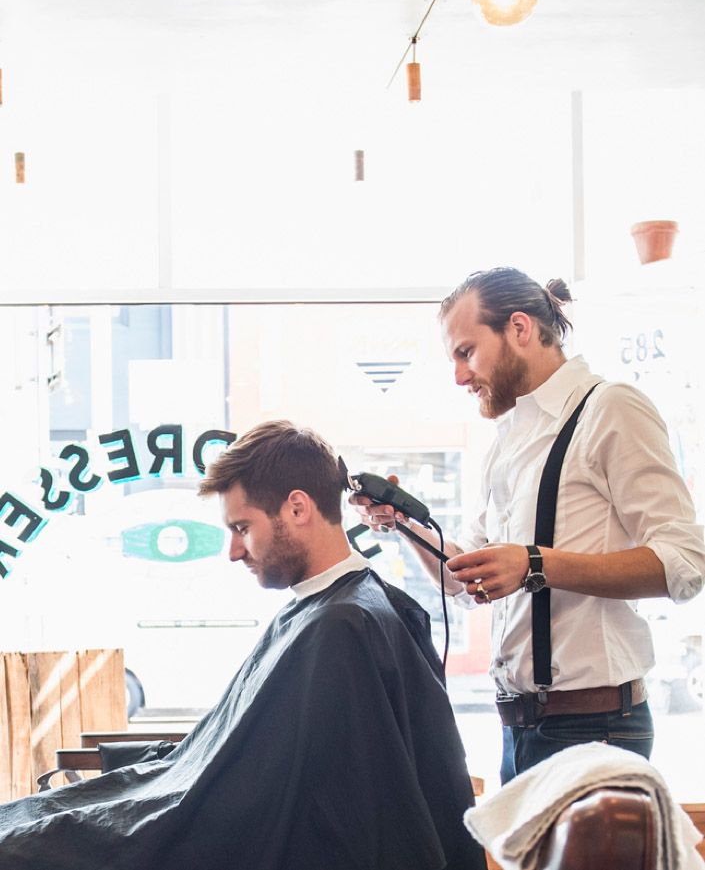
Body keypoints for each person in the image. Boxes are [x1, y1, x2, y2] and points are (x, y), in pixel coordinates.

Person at [0, 420, 487, 870]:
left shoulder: (342, 627)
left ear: (297, 508)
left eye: (241, 528)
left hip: (213, 831)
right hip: (201, 802)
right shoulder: (340, 610)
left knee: (25, 842)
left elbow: (281, 809)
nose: (233, 552)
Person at [350, 266, 705, 785]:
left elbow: (685, 562)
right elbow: (463, 579)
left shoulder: (611, 409)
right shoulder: (506, 441)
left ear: (519, 328)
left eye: (466, 352)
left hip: (596, 729)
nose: (458, 376)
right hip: (519, 731)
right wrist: (403, 521)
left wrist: (535, 564)